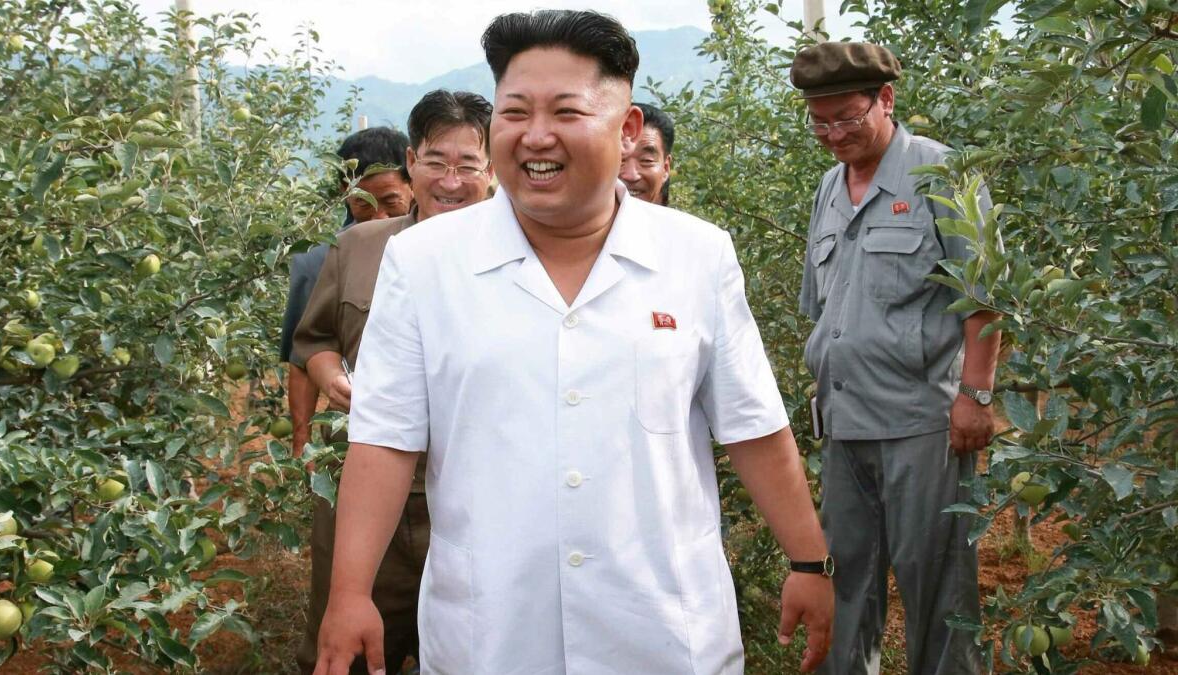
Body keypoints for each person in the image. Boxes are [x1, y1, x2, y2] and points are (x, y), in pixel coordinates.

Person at [314, 10, 833, 675]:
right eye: (515, 111)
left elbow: (753, 424)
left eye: (566, 112)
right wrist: (350, 591)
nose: (536, 136)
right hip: (494, 630)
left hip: (663, 630)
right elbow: (385, 438)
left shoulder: (695, 255)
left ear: (629, 128)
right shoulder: (424, 264)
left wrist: (809, 560)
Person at [792, 42, 1000, 675]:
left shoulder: (944, 174)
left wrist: (976, 396)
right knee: (847, 584)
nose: (832, 135)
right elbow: (822, 306)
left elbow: (986, 300)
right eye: (819, 122)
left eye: (846, 119)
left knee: (935, 585)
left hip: (922, 425)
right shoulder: (829, 187)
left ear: (885, 100)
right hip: (845, 425)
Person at [292, 90, 494, 675]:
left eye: (468, 166)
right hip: (365, 492)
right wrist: (330, 376)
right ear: (411, 161)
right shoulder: (360, 246)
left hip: (466, 499)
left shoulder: (521, 257)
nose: (450, 181)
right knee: (345, 650)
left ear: (493, 170)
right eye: (435, 162)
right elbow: (314, 340)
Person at [281, 127, 413, 457]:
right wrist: (302, 442)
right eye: (363, 203)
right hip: (358, 434)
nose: (378, 216)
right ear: (345, 191)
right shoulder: (320, 259)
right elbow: (303, 359)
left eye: (390, 201)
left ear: (413, 184)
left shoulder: (437, 246)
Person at [618, 101, 673, 205]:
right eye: (620, 160)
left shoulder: (685, 221)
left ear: (665, 168)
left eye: (646, 160)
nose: (631, 176)